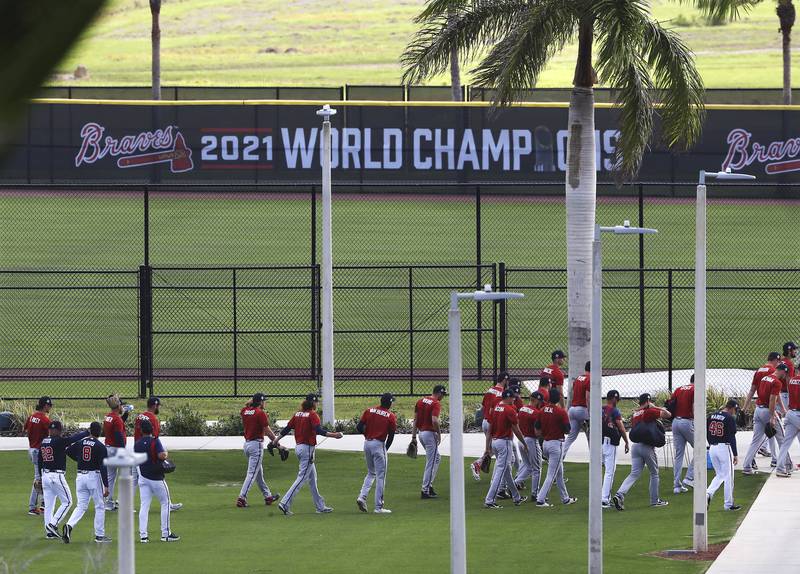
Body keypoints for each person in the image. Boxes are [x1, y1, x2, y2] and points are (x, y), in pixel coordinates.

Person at [273, 394, 343, 516]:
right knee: (302, 478)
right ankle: (285, 503)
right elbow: (319, 431)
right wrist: (335, 435)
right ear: (313, 403)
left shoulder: (297, 414)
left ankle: (320, 506)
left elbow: (286, 429)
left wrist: (276, 440)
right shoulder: (312, 415)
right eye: (317, 402)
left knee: (312, 479)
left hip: (299, 448)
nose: (318, 404)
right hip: (307, 450)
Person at [612, 394, 671, 510]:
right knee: (654, 473)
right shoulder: (649, 411)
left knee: (634, 473)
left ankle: (620, 494)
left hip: (636, 447)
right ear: (648, 401)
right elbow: (668, 414)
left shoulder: (635, 413)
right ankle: (655, 501)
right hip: (647, 447)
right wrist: (655, 407)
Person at [38, 421, 89, 540]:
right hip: (56, 476)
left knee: (49, 505)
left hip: (45, 475)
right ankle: (53, 524)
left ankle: (49, 532)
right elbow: (72, 439)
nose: (60, 432)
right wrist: (87, 432)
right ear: (56, 430)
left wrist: (39, 476)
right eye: (59, 430)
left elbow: (39, 460)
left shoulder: (44, 441)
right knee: (68, 502)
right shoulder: (59, 441)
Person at [63, 421, 110, 543]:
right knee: (100, 506)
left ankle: (69, 525)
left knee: (81, 506)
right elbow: (103, 467)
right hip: (93, 477)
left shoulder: (81, 442)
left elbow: (68, 451)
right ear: (99, 432)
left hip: (80, 477)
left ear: (89, 430)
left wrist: (79, 459)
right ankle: (99, 535)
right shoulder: (100, 446)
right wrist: (106, 485)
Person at [134, 397, 182, 511]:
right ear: (155, 405)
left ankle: (126, 505)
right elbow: (154, 437)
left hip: (137, 449)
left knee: (134, 479)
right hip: (149, 452)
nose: (158, 407)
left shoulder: (139, 416)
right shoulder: (153, 419)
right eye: (158, 405)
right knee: (157, 477)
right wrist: (161, 451)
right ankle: (168, 504)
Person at [135, 420, 179, 543]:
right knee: (165, 503)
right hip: (156, 478)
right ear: (152, 430)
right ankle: (166, 534)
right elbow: (162, 456)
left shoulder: (137, 444)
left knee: (144, 506)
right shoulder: (155, 441)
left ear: (142, 431)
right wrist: (166, 453)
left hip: (143, 477)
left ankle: (143, 536)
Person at [742, 363, 790, 475]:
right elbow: (772, 399)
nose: (785, 376)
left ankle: (747, 467)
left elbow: (772, 396)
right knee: (782, 440)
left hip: (758, 410)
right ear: (782, 371)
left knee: (756, 440)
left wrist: (782, 409)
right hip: (767, 412)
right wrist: (772, 416)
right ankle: (785, 467)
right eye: (785, 373)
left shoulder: (764, 378)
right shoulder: (777, 382)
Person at [483, 389, 528, 508]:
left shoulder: (497, 407)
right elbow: (516, 429)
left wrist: (487, 447)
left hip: (495, 442)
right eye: (513, 397)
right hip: (505, 443)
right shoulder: (510, 410)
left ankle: (516, 497)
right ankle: (489, 500)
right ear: (508, 397)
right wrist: (524, 442)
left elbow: (489, 429)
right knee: (501, 471)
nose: (514, 399)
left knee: (506, 471)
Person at [236, 393, 281, 508]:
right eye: (264, 401)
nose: (265, 402)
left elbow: (248, 408)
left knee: (258, 474)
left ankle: (268, 496)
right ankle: (242, 498)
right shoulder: (261, 413)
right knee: (251, 474)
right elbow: (268, 431)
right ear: (260, 402)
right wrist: (277, 444)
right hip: (256, 446)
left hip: (247, 445)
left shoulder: (244, 410)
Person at [356, 393, 397, 514]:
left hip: (367, 443)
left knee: (371, 473)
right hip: (379, 445)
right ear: (389, 403)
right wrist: (385, 449)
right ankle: (379, 507)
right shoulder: (390, 416)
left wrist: (368, 435)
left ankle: (362, 497)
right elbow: (391, 436)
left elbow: (359, 427)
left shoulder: (369, 410)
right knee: (381, 476)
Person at [534, 389, 576, 507]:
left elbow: (537, 428)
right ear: (558, 399)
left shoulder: (542, 410)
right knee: (551, 475)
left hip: (545, 444)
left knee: (559, 473)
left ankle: (565, 498)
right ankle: (541, 499)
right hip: (556, 445)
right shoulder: (560, 412)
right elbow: (568, 430)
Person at [743, 352, 782, 463]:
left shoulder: (759, 370)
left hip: (758, 407)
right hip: (767, 407)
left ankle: (751, 462)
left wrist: (744, 407)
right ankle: (776, 460)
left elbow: (752, 390)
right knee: (772, 434)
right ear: (775, 360)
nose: (778, 365)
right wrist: (776, 412)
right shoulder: (772, 372)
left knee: (762, 437)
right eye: (778, 362)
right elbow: (774, 395)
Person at [470, 372, 509, 481]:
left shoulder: (490, 390)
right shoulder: (502, 393)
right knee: (497, 450)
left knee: (493, 448)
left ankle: (481, 465)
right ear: (505, 380)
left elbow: (483, 407)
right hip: (493, 422)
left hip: (485, 421)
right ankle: (479, 465)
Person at [411, 384, 446, 499]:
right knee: (431, 462)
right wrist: (439, 434)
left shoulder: (420, 401)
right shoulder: (436, 403)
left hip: (421, 434)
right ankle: (425, 490)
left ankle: (429, 486)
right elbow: (434, 420)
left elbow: (415, 420)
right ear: (439, 393)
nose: (443, 397)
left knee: (436, 458)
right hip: (430, 434)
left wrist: (414, 437)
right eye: (443, 394)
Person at [706, 400, 741, 511]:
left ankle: (707, 493)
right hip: (724, 449)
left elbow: (707, 433)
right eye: (735, 409)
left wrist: (710, 444)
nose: (735, 412)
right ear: (731, 408)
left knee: (720, 475)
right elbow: (732, 437)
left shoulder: (711, 416)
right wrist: (735, 454)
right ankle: (728, 504)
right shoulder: (729, 418)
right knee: (728, 477)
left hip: (712, 448)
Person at [103, 394, 133, 511]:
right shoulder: (116, 419)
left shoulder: (108, 417)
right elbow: (118, 435)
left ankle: (109, 503)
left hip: (108, 449)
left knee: (110, 476)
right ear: (118, 405)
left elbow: (119, 423)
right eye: (121, 404)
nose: (123, 406)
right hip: (116, 449)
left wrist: (125, 414)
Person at [24, 396, 52, 516]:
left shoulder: (31, 417)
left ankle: (43, 504)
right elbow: (53, 433)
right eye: (49, 405)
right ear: (45, 405)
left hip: (31, 448)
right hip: (39, 452)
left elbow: (25, 429)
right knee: (39, 478)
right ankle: (32, 507)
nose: (50, 407)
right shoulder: (45, 420)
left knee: (42, 476)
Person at [601, 390, 629, 509]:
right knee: (609, 472)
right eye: (617, 399)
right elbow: (621, 428)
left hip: (599, 443)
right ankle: (604, 499)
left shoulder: (600, 408)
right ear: (613, 398)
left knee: (601, 472)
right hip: (609, 444)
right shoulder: (614, 410)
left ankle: (601, 497)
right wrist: (627, 442)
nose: (617, 402)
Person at [514, 391, 544, 500]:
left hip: (521, 440)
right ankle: (535, 494)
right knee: (537, 469)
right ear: (536, 400)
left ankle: (513, 484)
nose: (540, 404)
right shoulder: (536, 412)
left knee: (528, 466)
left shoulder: (522, 409)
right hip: (531, 441)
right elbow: (538, 431)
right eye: (540, 401)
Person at [670, 375, 695, 494]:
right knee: (702, 450)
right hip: (687, 421)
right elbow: (695, 407)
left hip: (675, 422)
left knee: (678, 455)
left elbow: (671, 404)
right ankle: (689, 477)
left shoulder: (679, 389)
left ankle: (676, 486)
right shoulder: (696, 389)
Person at [563, 361, 590, 458]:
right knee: (591, 435)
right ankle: (597, 459)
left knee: (570, 437)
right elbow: (587, 398)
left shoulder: (579, 378)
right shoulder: (590, 379)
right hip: (582, 410)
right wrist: (590, 413)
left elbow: (572, 393)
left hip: (572, 410)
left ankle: (560, 457)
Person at [776, 371, 800, 477]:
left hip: (790, 413)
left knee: (785, 443)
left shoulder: (791, 381)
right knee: (786, 443)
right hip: (798, 414)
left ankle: (780, 468)